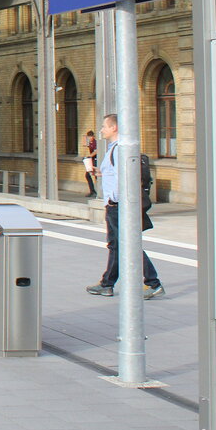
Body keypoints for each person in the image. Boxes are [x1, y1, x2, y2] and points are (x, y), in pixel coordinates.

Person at [87, 113, 164, 299]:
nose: (101, 130)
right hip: (114, 206)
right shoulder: (114, 149)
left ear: (114, 128)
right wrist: (101, 173)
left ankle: (153, 283)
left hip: (118, 206)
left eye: (104, 126)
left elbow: (125, 179)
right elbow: (116, 175)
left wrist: (116, 201)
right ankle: (107, 284)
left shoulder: (120, 150)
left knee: (129, 245)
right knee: (116, 246)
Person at [83, 130, 97, 197]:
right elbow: (85, 145)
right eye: (88, 137)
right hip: (92, 161)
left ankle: (99, 192)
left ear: (93, 136)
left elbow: (96, 151)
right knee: (88, 175)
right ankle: (92, 191)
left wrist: (90, 156)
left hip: (96, 160)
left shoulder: (95, 143)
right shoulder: (90, 143)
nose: (89, 138)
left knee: (97, 176)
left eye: (90, 137)